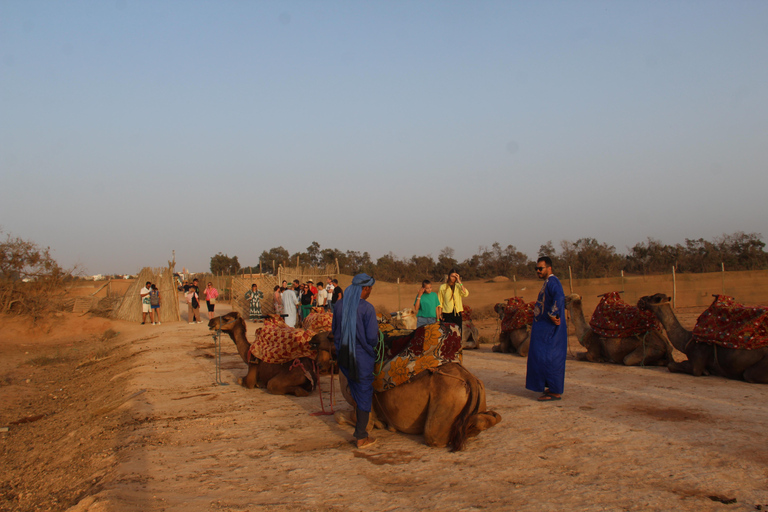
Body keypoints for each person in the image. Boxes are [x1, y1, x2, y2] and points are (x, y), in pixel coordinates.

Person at [331, 273, 378, 449]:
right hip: (362, 359)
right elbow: (372, 338)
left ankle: (359, 425)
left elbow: (335, 330)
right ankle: (361, 437)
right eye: (370, 289)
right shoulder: (367, 308)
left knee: (356, 391)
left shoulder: (339, 305)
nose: (370, 292)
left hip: (344, 357)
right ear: (364, 288)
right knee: (365, 394)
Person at [526, 256, 568, 402]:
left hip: (550, 331)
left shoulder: (553, 282)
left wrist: (553, 313)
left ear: (549, 268)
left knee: (551, 358)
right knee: (542, 358)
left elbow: (560, 298)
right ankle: (550, 387)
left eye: (540, 268)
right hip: (543, 330)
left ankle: (555, 392)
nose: (538, 271)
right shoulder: (548, 282)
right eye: (536, 269)